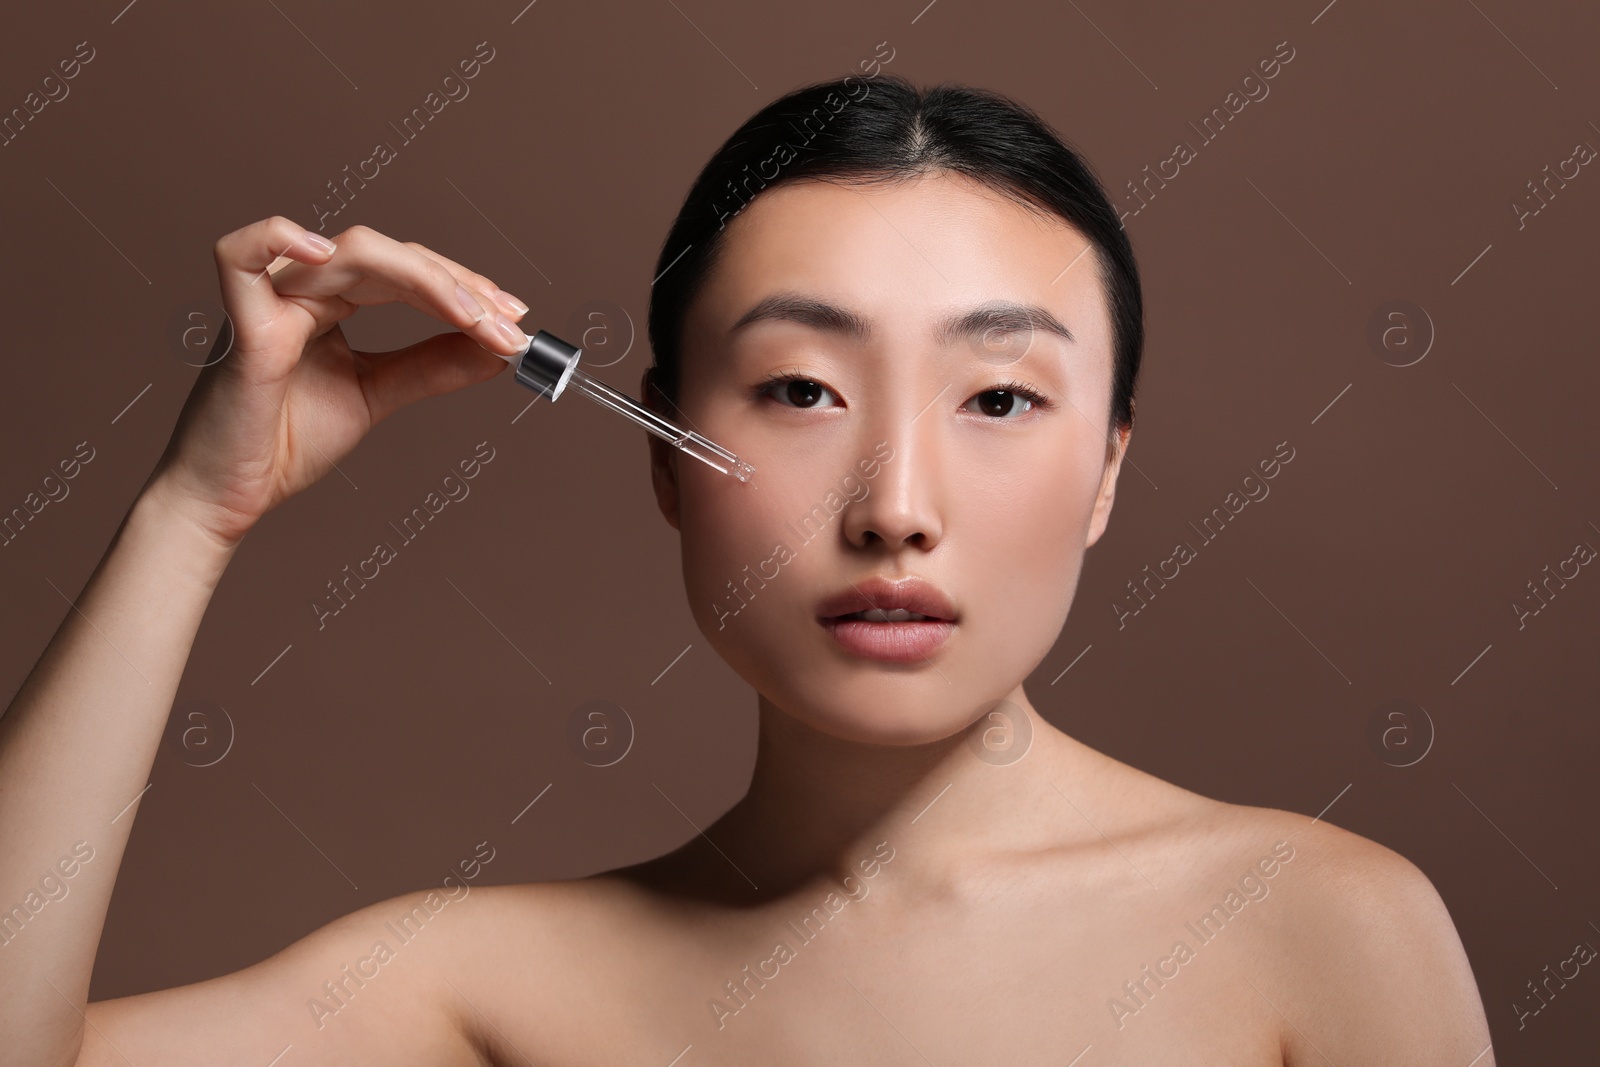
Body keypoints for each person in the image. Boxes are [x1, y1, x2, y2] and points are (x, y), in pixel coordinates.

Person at [1, 73, 1493, 1066]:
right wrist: (193, 513)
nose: (895, 507)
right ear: (661, 456)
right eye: (799, 391)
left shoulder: (1317, 925)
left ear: (1106, 469)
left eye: (998, 400)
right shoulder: (490, 990)